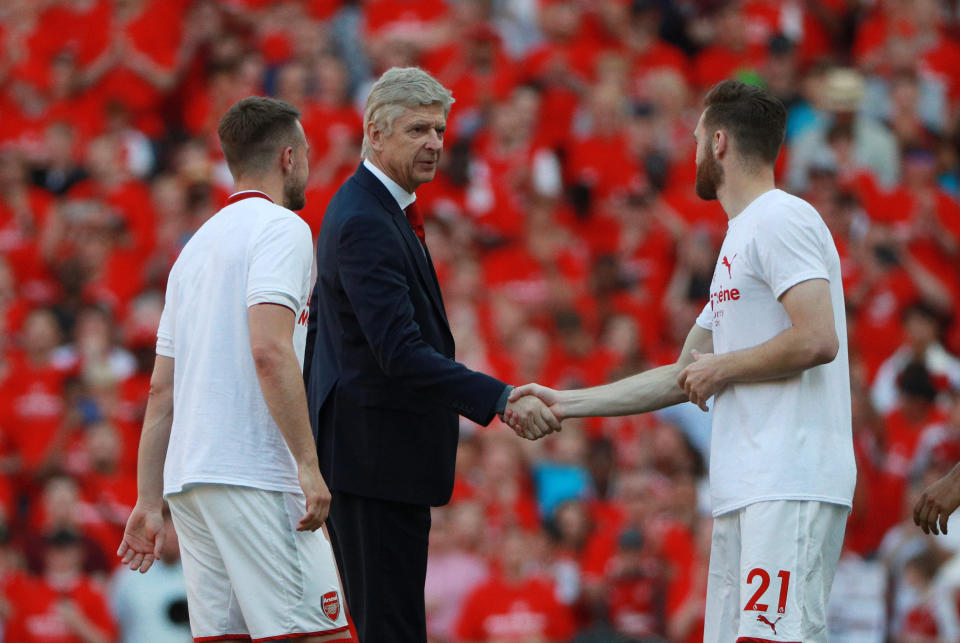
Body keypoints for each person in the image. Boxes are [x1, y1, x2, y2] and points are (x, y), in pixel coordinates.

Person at [507, 79, 857, 643]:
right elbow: (683, 373)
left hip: (789, 477)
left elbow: (817, 339)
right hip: (744, 485)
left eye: (695, 137)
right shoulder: (738, 238)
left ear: (719, 142)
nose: (690, 150)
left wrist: (725, 366)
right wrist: (565, 402)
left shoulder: (781, 217)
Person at [303, 66, 560, 643]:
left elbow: (328, 333)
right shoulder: (366, 219)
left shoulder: (372, 210)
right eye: (418, 129)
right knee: (390, 628)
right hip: (372, 463)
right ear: (374, 131)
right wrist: (498, 399)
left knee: (389, 624)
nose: (435, 143)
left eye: (440, 130)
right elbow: (400, 352)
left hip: (371, 459)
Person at [117, 96, 351, 643]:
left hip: (189, 483)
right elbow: (269, 351)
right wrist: (307, 465)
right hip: (257, 474)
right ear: (288, 157)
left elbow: (160, 391)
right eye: (310, 153)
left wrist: (149, 502)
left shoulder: (193, 251)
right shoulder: (282, 229)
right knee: (323, 635)